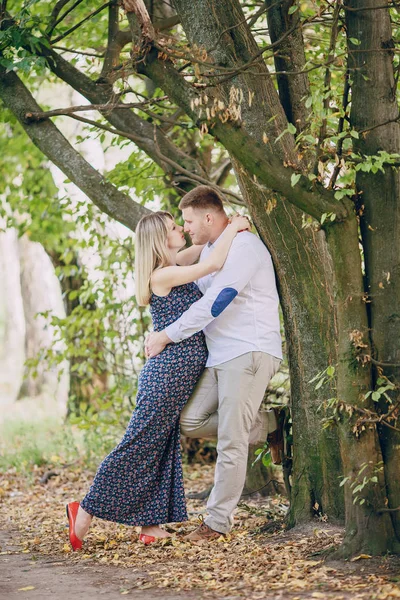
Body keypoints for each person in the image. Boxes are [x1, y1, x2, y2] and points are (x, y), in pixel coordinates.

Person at [66, 210, 250, 550]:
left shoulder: (174, 263)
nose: (181, 229)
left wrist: (221, 231)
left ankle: (151, 526)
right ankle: (85, 509)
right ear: (159, 238)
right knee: (138, 443)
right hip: (166, 373)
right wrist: (236, 226)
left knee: (161, 445)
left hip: (176, 373)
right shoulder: (162, 276)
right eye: (173, 227)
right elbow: (210, 265)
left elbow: (204, 250)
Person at [145, 186, 283, 542]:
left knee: (231, 440)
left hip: (248, 350)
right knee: (190, 421)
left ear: (208, 217)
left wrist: (166, 335)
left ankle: (217, 523)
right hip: (218, 354)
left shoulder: (245, 248)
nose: (185, 227)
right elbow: (173, 265)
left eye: (188, 221)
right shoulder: (210, 247)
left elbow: (216, 303)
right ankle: (271, 424)